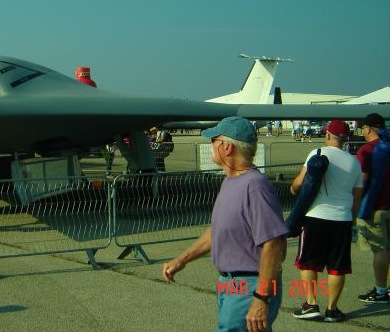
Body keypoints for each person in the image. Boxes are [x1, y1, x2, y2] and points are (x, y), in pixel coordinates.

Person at [162, 117, 287, 332]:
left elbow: (274, 243)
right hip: (232, 286)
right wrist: (181, 260)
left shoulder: (254, 186)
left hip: (250, 287)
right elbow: (216, 232)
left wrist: (260, 297)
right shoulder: (231, 182)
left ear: (227, 147)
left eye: (214, 140)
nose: (211, 144)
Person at [290, 120, 363, 322]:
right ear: (346, 138)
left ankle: (311, 304)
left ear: (328, 134)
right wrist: (353, 219)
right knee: (337, 266)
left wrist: (294, 188)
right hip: (342, 218)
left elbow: (301, 181)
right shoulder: (354, 162)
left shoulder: (317, 154)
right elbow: (357, 197)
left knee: (308, 263)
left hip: (315, 215)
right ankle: (332, 308)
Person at [355, 113, 390, 303]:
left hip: (376, 207)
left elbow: (363, 179)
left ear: (368, 129)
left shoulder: (366, 150)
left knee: (380, 250)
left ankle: (381, 290)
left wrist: (355, 205)